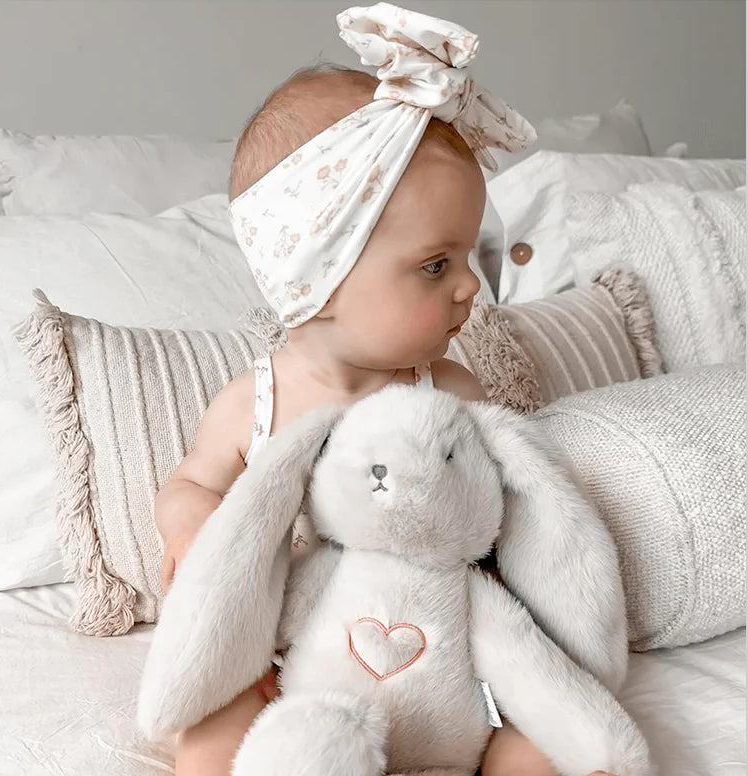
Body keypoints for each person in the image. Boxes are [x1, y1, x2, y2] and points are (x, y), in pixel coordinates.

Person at [154, 5, 615, 775]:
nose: (471, 285)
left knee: (541, 741)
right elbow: (189, 483)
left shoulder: (451, 394)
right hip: (290, 655)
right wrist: (191, 526)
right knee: (208, 729)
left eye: (470, 255)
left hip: (438, 649)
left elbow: (513, 513)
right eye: (437, 264)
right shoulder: (256, 403)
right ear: (317, 282)